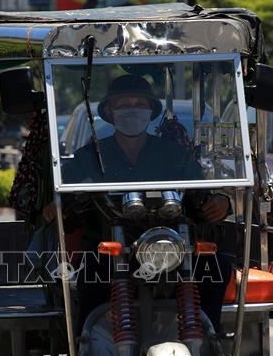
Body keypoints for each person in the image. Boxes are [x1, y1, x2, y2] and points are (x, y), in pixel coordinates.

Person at [53, 74, 232, 333]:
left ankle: (209, 339)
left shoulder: (175, 153)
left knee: (217, 265)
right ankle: (88, 339)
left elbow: (199, 197)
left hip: (172, 248)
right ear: (110, 112)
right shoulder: (88, 157)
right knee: (91, 274)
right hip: (110, 250)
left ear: (150, 112)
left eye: (140, 104)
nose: (132, 110)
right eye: (124, 104)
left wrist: (222, 201)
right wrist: (59, 205)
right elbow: (67, 208)